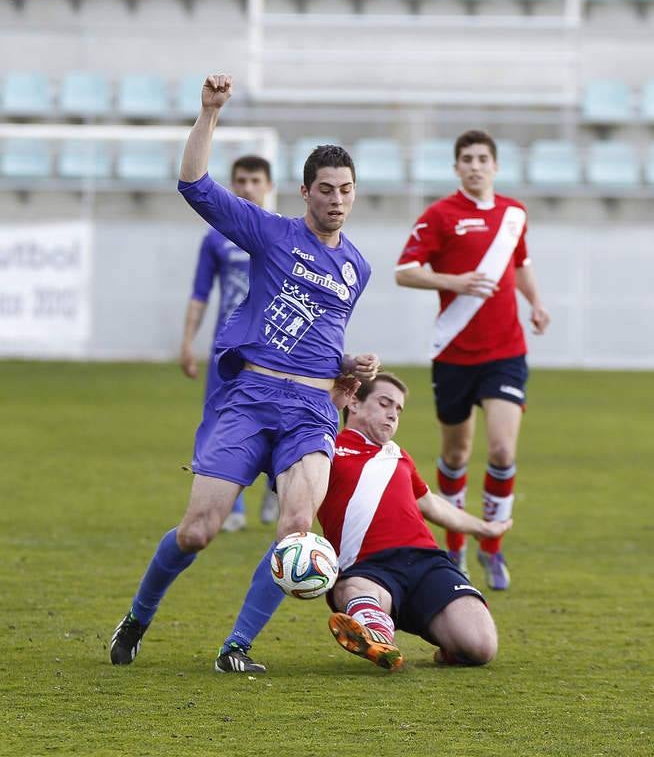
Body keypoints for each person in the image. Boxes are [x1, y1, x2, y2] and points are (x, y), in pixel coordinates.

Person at [110, 73, 378, 668]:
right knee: (199, 530)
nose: (337, 199)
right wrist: (209, 113)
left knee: (296, 531)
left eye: (347, 190)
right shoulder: (270, 232)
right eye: (327, 189)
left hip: (310, 411)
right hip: (251, 398)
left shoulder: (358, 269)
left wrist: (348, 365)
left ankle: (237, 646)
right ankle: (138, 616)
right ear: (305, 192)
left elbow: (322, 341)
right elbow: (195, 185)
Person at [215, 372, 510, 674]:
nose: (393, 414)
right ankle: (378, 638)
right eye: (385, 403)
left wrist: (484, 528)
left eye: (398, 409)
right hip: (367, 569)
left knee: (482, 647)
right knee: (356, 592)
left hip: (427, 564)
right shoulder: (324, 450)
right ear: (354, 403)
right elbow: (294, 477)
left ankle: (448, 644)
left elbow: (431, 504)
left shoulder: (399, 456)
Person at [395, 130, 550, 591]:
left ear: (495, 166)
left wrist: (536, 302)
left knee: (502, 450)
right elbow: (405, 272)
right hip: (454, 355)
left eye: (483, 158)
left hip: (506, 352)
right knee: (456, 454)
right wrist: (454, 281)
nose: (476, 165)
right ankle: (456, 546)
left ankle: (493, 548)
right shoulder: (440, 216)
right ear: (457, 167)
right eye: (467, 158)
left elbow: (520, 263)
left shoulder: (514, 214)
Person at [180, 154, 278, 532]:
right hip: (227, 350)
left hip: (274, 349)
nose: (248, 188)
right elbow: (200, 293)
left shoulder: (285, 233)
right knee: (222, 423)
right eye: (241, 181)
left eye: (255, 181)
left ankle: (274, 485)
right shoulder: (215, 238)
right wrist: (187, 341)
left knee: (275, 420)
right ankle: (232, 509)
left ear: (269, 185)